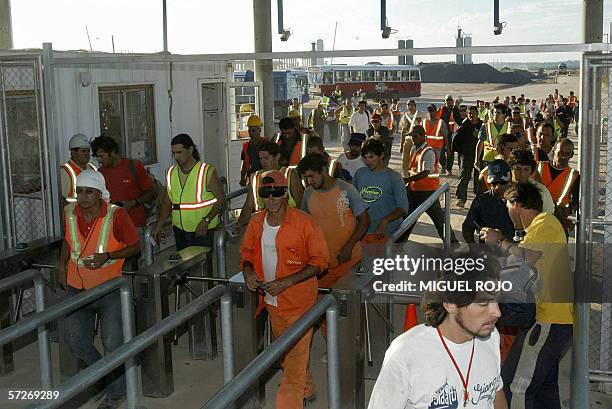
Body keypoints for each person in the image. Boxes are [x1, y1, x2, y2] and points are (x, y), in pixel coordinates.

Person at [368, 254, 508, 409]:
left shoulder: (490, 336)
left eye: (497, 300)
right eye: (483, 303)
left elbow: (495, 392)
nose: (497, 312)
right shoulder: (406, 352)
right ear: (450, 304)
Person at [240, 170, 329, 409]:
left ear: (285, 194)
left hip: (300, 304)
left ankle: (289, 403)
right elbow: (246, 252)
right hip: (271, 302)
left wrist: (287, 281)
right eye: (265, 194)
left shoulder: (304, 223)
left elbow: (321, 261)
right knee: (287, 357)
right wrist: (248, 272)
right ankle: (307, 388)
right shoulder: (256, 222)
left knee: (293, 364)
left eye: (276, 193)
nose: (271, 199)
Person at [481, 183, 573, 408]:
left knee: (516, 386)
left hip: (548, 319)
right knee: (544, 388)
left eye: (508, 206)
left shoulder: (545, 222)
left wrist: (499, 241)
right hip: (552, 321)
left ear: (517, 204)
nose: (508, 213)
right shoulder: (536, 230)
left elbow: (526, 258)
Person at [58, 170, 139, 409]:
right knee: (74, 339)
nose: (83, 197)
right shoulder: (69, 213)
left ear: (100, 194)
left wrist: (108, 256)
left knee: (113, 341)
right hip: (77, 286)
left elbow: (134, 247)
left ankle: (115, 395)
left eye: (89, 192)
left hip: (109, 286)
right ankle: (103, 377)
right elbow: (67, 240)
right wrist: (61, 264)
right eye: (79, 191)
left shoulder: (116, 214)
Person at [298, 153, 369, 287]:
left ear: (323, 171)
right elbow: (305, 226)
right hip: (322, 264)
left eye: (311, 176)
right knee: (325, 304)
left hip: (349, 260)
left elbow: (365, 221)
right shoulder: (308, 193)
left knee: (349, 304)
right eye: (306, 178)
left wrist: (348, 247)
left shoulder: (346, 189)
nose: (308, 182)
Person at [91, 136, 156, 269]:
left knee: (141, 265)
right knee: (119, 266)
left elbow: (151, 192)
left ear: (113, 152)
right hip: (113, 229)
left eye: (101, 156)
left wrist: (134, 203)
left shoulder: (133, 166)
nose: (99, 160)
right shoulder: (100, 173)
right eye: (97, 157)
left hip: (136, 225)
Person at [153, 134, 226, 250]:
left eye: (179, 152)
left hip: (202, 229)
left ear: (190, 149)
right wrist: (160, 223)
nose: (176, 157)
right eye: (174, 153)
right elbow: (167, 202)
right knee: (184, 265)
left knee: (203, 266)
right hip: (179, 229)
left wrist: (206, 220)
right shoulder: (171, 172)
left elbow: (221, 200)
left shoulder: (206, 171)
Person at [401, 126, 457, 243]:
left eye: (415, 136)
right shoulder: (415, 149)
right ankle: (398, 243)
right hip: (414, 191)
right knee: (407, 220)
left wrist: (407, 180)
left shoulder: (428, 152)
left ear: (422, 136)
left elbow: (425, 173)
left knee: (439, 220)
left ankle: (452, 242)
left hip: (427, 192)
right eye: (411, 136)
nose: (413, 138)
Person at [235, 141, 303, 231]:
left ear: (277, 157)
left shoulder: (290, 175)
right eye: (260, 158)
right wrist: (239, 224)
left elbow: (300, 205)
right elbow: (248, 205)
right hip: (262, 227)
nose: (263, 162)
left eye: (266, 158)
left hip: (287, 227)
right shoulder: (255, 177)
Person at [353, 138, 409, 237]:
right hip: (364, 232)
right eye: (365, 158)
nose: (368, 161)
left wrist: (385, 221)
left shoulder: (394, 177)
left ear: (381, 155)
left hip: (388, 233)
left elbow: (403, 208)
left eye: (371, 157)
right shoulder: (359, 174)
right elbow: (354, 202)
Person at [462, 160, 514, 243]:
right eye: (494, 183)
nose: (497, 187)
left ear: (510, 181)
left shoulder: (519, 200)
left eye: (502, 182)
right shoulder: (481, 201)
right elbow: (467, 228)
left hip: (515, 252)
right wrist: (474, 248)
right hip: (489, 253)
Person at [538, 139, 580, 232]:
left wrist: (568, 210)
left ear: (572, 155)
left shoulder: (574, 175)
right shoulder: (539, 166)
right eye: (560, 153)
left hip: (557, 219)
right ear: (553, 151)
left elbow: (575, 201)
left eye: (567, 153)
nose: (563, 156)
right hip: (535, 215)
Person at [452, 105, 483, 207]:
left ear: (477, 115)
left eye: (474, 113)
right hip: (466, 155)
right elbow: (457, 137)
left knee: (478, 178)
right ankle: (461, 198)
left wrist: (478, 135)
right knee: (464, 176)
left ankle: (478, 199)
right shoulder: (465, 124)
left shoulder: (482, 125)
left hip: (479, 156)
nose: (471, 115)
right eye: (470, 113)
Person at [508, 150, 556, 215]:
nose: (522, 174)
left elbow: (548, 217)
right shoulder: (503, 185)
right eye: (518, 169)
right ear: (511, 169)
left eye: (526, 169)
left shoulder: (541, 191)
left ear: (531, 172)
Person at [61, 133, 97, 204]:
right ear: (73, 152)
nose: (87, 154)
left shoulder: (93, 168)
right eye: (83, 151)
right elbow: (62, 200)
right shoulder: (65, 172)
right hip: (74, 213)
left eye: (88, 151)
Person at [476, 104, 509, 170]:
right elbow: (480, 143)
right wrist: (477, 159)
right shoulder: (486, 126)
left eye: (498, 113)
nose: (495, 115)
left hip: (504, 158)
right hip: (489, 159)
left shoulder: (509, 126)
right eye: (494, 112)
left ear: (504, 114)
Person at [437, 95, 460, 175]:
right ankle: (443, 165)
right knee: (441, 152)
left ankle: (449, 169)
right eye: (447, 100)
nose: (449, 102)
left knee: (450, 153)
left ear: (453, 101)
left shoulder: (455, 110)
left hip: (452, 135)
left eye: (450, 100)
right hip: (442, 134)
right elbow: (436, 120)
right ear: (444, 101)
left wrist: (456, 108)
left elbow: (458, 120)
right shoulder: (441, 110)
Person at [239, 115, 265, 186]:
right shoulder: (246, 146)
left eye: (253, 130)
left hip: (265, 177)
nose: (251, 133)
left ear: (259, 130)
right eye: (249, 130)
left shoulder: (266, 144)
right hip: (252, 178)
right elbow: (244, 164)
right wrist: (242, 178)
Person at [424, 104, 449, 174]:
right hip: (426, 148)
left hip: (436, 148)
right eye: (429, 110)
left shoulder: (441, 122)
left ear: (435, 111)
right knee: (426, 164)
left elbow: (445, 137)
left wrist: (448, 149)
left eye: (432, 110)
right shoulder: (424, 122)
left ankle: (434, 180)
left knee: (433, 164)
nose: (430, 112)